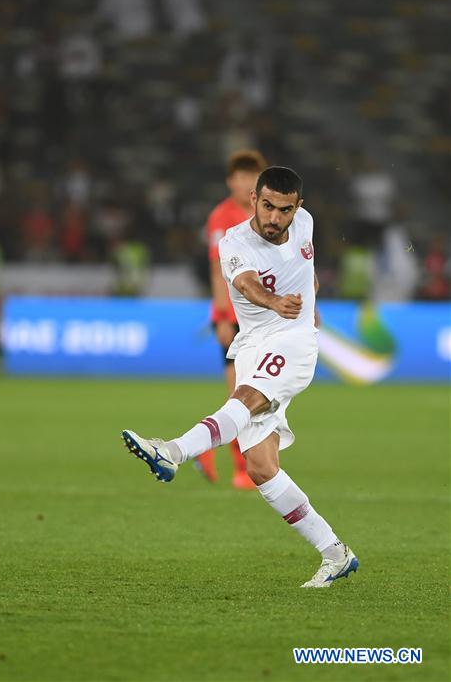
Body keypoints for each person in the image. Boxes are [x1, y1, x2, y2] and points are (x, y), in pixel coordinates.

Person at [121, 166, 358, 588]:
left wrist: (310, 303)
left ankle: (172, 451)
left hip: (294, 343)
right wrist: (275, 301)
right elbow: (248, 285)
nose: (274, 218)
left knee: (244, 400)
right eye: (267, 206)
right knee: (261, 467)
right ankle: (335, 552)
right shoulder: (234, 243)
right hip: (252, 345)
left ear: (298, 208)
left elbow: (309, 269)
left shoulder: (305, 224)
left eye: (284, 210)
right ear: (254, 200)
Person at [197, 149, 267, 490]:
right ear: (230, 182)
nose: (246, 183)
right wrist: (223, 316)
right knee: (241, 394)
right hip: (234, 316)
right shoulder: (221, 216)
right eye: (240, 178)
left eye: (251, 177)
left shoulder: (266, 212)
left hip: (262, 314)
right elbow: (217, 268)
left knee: (256, 394)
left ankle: (203, 445)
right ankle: (243, 469)